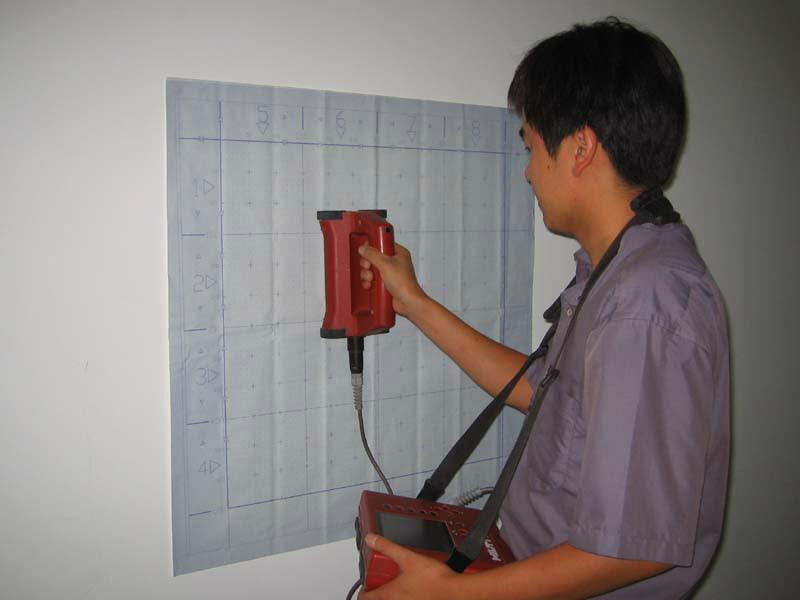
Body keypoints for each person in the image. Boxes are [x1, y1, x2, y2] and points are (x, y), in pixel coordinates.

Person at [357, 17, 730, 600]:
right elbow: (543, 390)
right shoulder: (616, 271)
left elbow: (631, 549)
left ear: (581, 148)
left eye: (531, 147)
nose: (528, 170)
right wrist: (414, 303)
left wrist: (450, 595)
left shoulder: (645, 303)